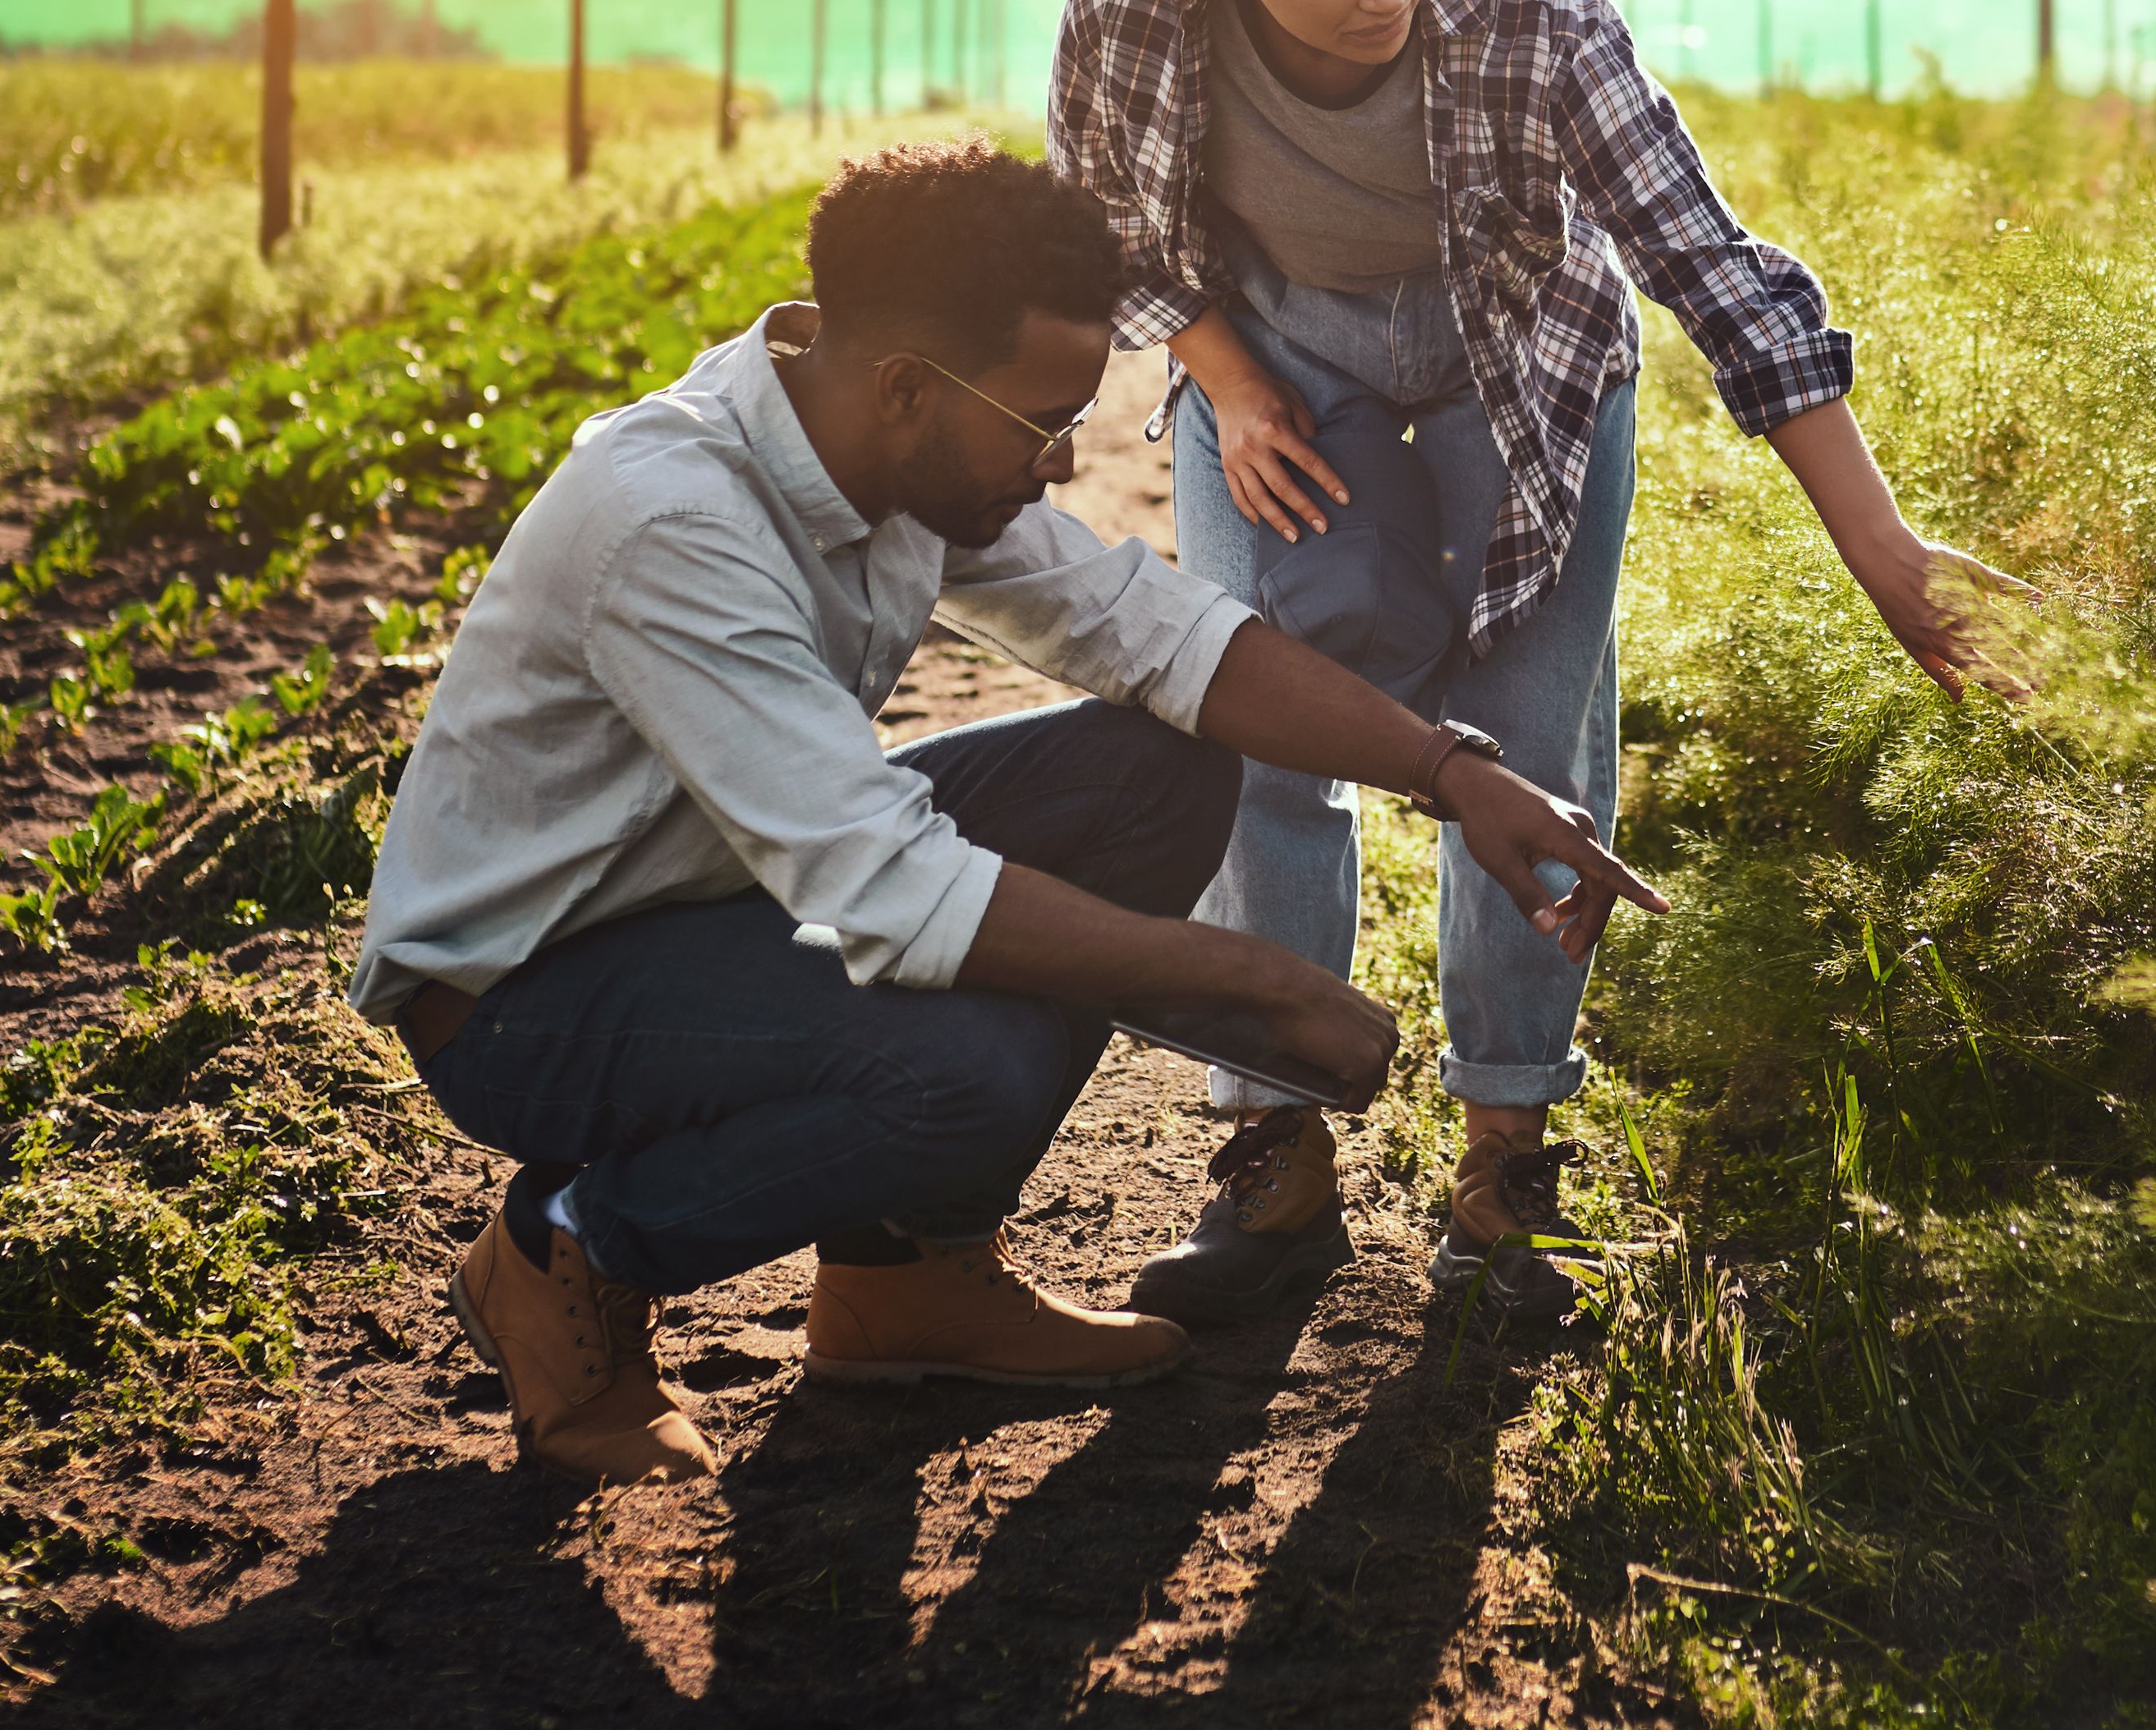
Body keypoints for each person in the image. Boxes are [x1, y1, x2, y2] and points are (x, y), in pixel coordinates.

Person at [346, 140, 1655, 1485]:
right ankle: (569, 1247)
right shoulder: (672, 523)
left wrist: (1452, 771)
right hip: (530, 997)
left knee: (1157, 770)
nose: (1060, 461)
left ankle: (902, 1279)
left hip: (718, 894)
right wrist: (1251, 982)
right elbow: (888, 888)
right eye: (1040, 422)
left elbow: (1158, 636)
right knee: (962, 1071)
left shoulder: (882, 445)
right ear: (908, 386)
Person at [1050, 0, 1983, 1323]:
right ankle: (1274, 1152)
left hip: (1526, 359)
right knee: (1252, 720)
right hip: (1275, 354)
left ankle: (1504, 1170)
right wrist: (1232, 383)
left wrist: (1882, 550)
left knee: (1531, 741)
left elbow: (1703, 261)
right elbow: (1105, 219)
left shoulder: (1523, 1)